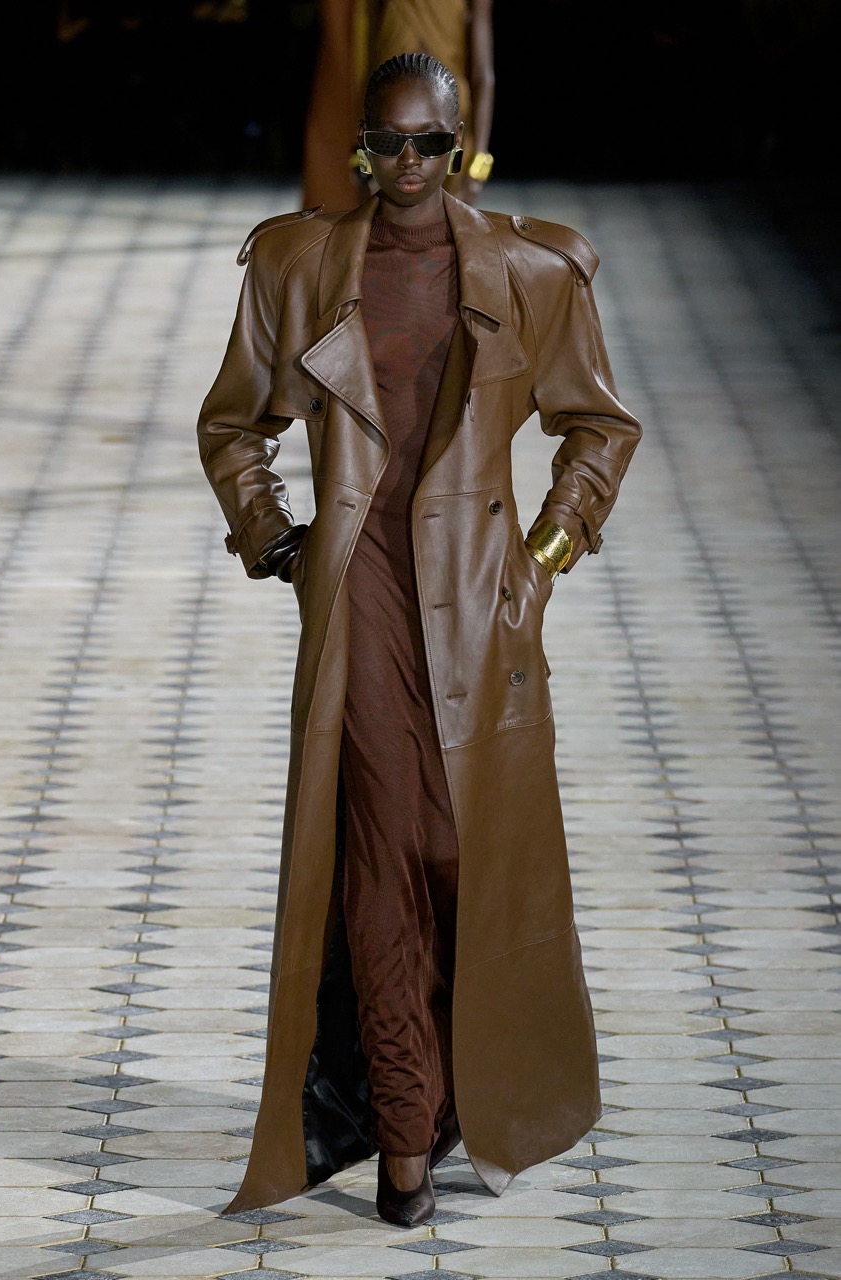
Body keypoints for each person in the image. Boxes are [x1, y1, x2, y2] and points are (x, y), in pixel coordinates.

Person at [197, 52, 642, 1229]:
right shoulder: (297, 264)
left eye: (428, 143)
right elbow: (234, 423)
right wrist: (275, 539)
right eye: (386, 142)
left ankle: (441, 1094)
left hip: (481, 603)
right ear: (360, 145)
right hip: (360, 601)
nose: (406, 164)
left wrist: (542, 560)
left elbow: (599, 425)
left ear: (459, 143)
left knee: (459, 857)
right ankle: (404, 1134)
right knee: (381, 855)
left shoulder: (533, 268)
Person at [301, 0, 494, 210]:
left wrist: (479, 163)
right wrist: (361, 150)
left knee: (445, 220)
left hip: (448, 123)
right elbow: (369, 64)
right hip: (391, 120)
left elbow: (482, 74)